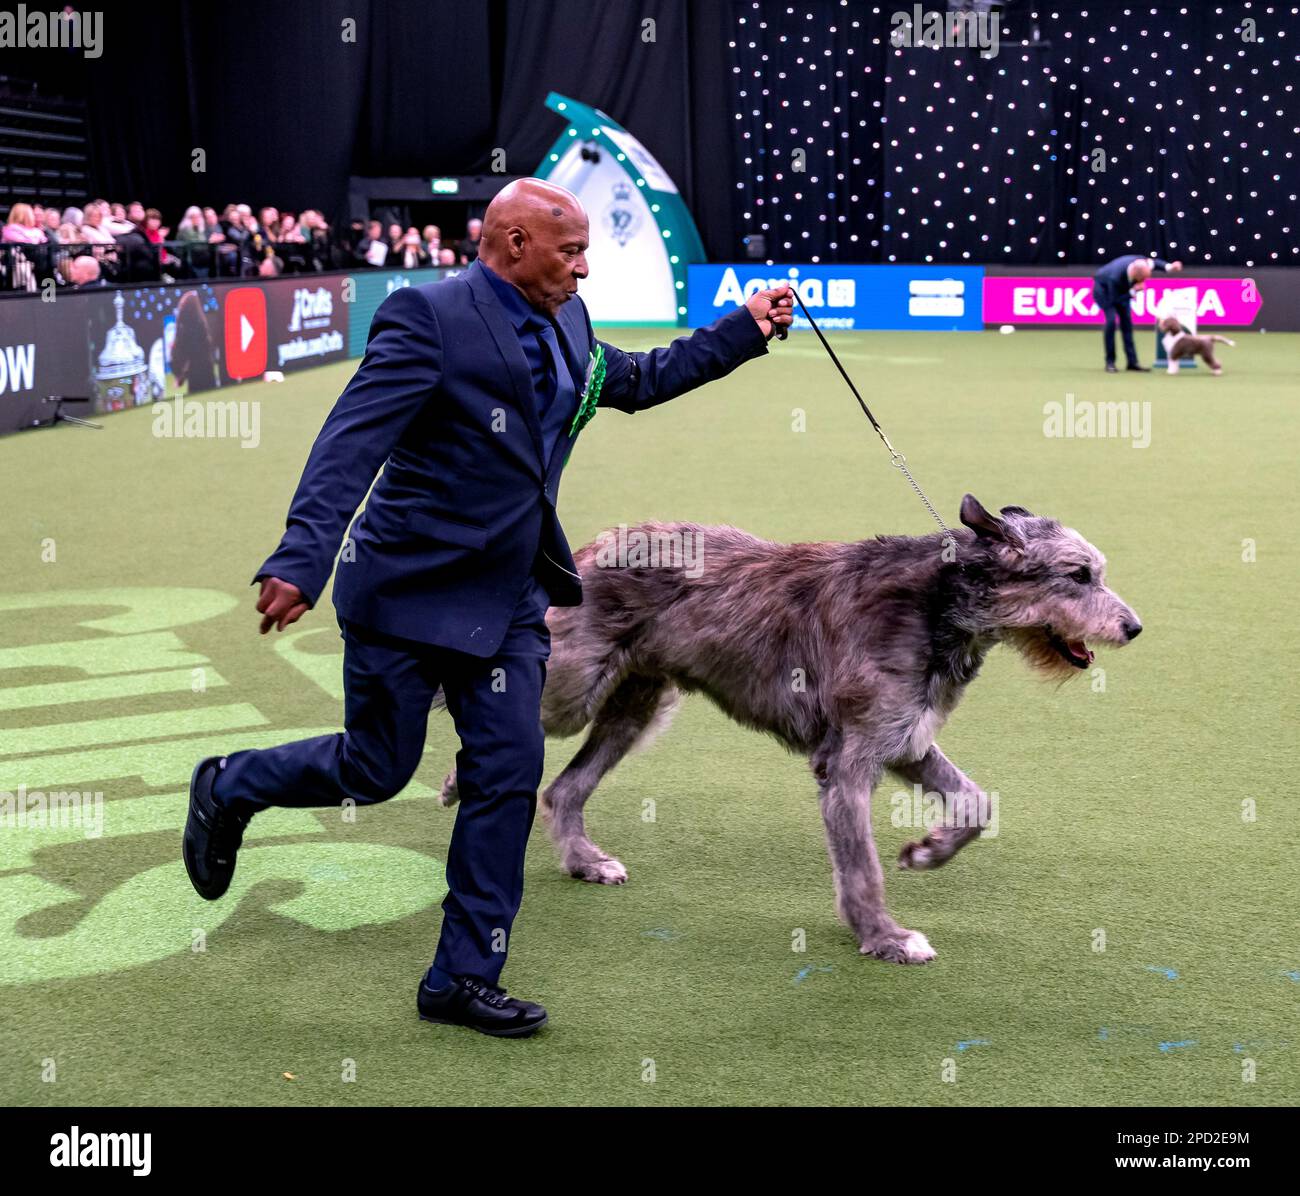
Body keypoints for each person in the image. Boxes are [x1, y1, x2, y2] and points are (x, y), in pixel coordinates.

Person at [183, 177, 794, 1039]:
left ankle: (462, 978)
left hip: (510, 598)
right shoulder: (426, 318)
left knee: (506, 775)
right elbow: (351, 440)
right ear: (513, 244)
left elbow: (640, 378)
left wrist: (744, 330)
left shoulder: (570, 321)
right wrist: (301, 555)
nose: (585, 269)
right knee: (376, 768)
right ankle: (229, 784)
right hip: (406, 595)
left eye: (586, 252)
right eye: (571, 251)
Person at [1092, 253, 1183, 372]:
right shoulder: (1114, 277)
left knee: (1127, 324)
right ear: (1134, 276)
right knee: (1111, 322)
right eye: (1141, 280)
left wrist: (1170, 267)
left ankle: (1132, 362)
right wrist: (1133, 292)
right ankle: (1110, 362)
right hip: (1104, 291)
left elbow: (1155, 263)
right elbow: (1114, 299)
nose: (1143, 282)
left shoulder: (1143, 263)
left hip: (1124, 289)